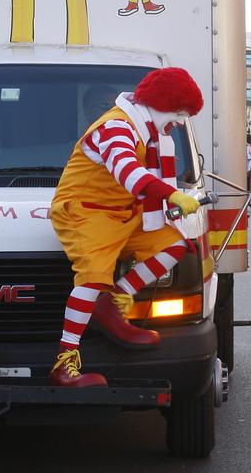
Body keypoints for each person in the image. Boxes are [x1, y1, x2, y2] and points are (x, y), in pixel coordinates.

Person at [47, 67, 204, 387]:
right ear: (162, 105)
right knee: (91, 279)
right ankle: (64, 365)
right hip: (87, 213)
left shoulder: (147, 131)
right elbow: (127, 172)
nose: (178, 123)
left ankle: (113, 302)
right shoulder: (116, 127)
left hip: (125, 213)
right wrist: (171, 194)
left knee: (175, 245)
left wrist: (170, 200)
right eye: (179, 113)